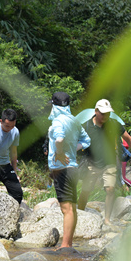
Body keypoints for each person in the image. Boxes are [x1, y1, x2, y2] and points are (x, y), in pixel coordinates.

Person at [77, 99, 131, 225]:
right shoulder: (86, 126)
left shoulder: (113, 124)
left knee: (110, 189)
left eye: (107, 113)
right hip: (92, 164)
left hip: (110, 163)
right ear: (96, 111)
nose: (105, 116)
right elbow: (75, 142)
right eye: (103, 113)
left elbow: (128, 139)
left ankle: (107, 219)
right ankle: (80, 213)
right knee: (86, 191)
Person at [47, 92, 90, 250]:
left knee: (66, 209)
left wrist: (59, 152)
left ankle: (65, 245)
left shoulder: (58, 121)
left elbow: (59, 139)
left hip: (62, 170)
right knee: (72, 207)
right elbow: (86, 141)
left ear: (54, 105)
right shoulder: (74, 121)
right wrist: (72, 150)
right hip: (73, 169)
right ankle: (69, 243)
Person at [0, 109, 23, 203]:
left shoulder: (15, 132)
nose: (10, 128)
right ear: (1, 121)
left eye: (12, 126)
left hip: (5, 164)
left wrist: (14, 171)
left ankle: (14, 213)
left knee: (17, 193)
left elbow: (13, 152)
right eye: (7, 126)